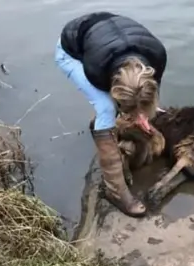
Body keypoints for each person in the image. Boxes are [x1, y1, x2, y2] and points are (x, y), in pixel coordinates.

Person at [54, 11, 168, 218]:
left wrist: (141, 115)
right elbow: (109, 96)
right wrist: (116, 115)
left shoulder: (157, 55)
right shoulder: (96, 70)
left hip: (108, 38)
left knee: (126, 109)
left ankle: (102, 124)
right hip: (70, 50)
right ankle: (114, 191)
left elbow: (149, 91)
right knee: (106, 108)